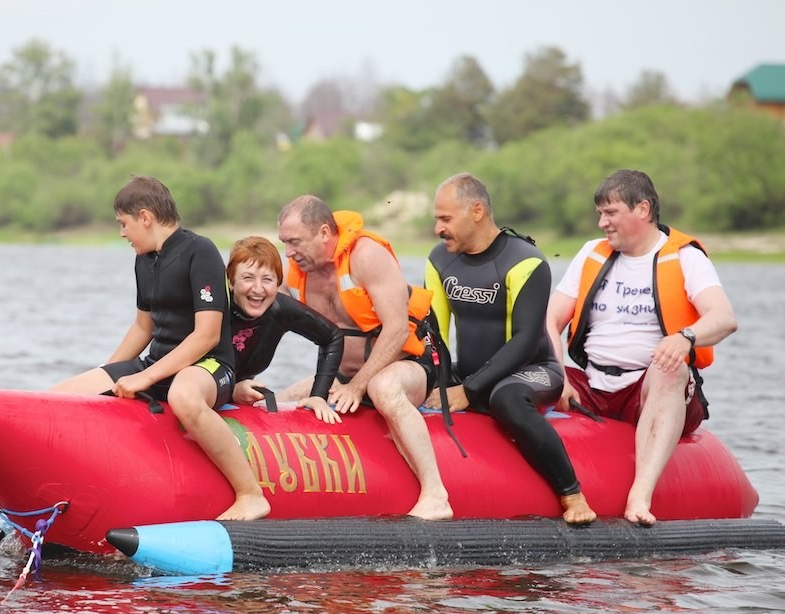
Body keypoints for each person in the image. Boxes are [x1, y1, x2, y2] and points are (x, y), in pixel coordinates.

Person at [50, 175, 270, 521]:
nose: (122, 233)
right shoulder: (144, 259)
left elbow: (207, 335)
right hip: (159, 364)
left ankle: (250, 494)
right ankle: (62, 499)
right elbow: (143, 326)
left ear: (145, 217)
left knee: (184, 395)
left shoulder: (201, 251)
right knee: (60, 400)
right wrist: (105, 378)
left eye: (124, 224)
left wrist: (145, 377)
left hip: (210, 367)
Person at [546, 169, 737, 526]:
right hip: (592, 385)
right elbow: (550, 321)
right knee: (528, 371)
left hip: (649, 387)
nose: (602, 222)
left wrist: (685, 337)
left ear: (643, 209)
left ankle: (640, 495)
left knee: (671, 367)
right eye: (600, 213)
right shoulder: (592, 253)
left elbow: (724, 317)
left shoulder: (684, 257)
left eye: (611, 212)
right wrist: (559, 377)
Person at [423, 172, 596, 525]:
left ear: (476, 211)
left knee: (506, 397)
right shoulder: (439, 260)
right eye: (436, 219)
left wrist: (468, 391)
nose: (438, 229)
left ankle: (572, 493)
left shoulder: (525, 261)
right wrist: (436, 384)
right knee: (410, 379)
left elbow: (526, 340)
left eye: (445, 219)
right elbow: (435, 336)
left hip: (531, 371)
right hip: (470, 373)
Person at [276, 195, 452, 520]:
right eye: (284, 242)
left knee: (382, 388)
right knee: (289, 395)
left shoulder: (366, 256)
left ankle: (436, 493)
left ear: (325, 233)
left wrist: (357, 387)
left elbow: (398, 330)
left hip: (408, 367)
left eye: (295, 241)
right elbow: (268, 320)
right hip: (346, 378)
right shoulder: (298, 272)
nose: (288, 252)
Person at [226, 236, 344, 424]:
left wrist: (318, 395)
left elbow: (333, 337)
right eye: (248, 278)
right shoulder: (211, 307)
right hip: (192, 394)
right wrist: (229, 391)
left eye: (267, 279)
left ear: (277, 283)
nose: (258, 289)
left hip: (239, 399)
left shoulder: (281, 310)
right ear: (231, 281)